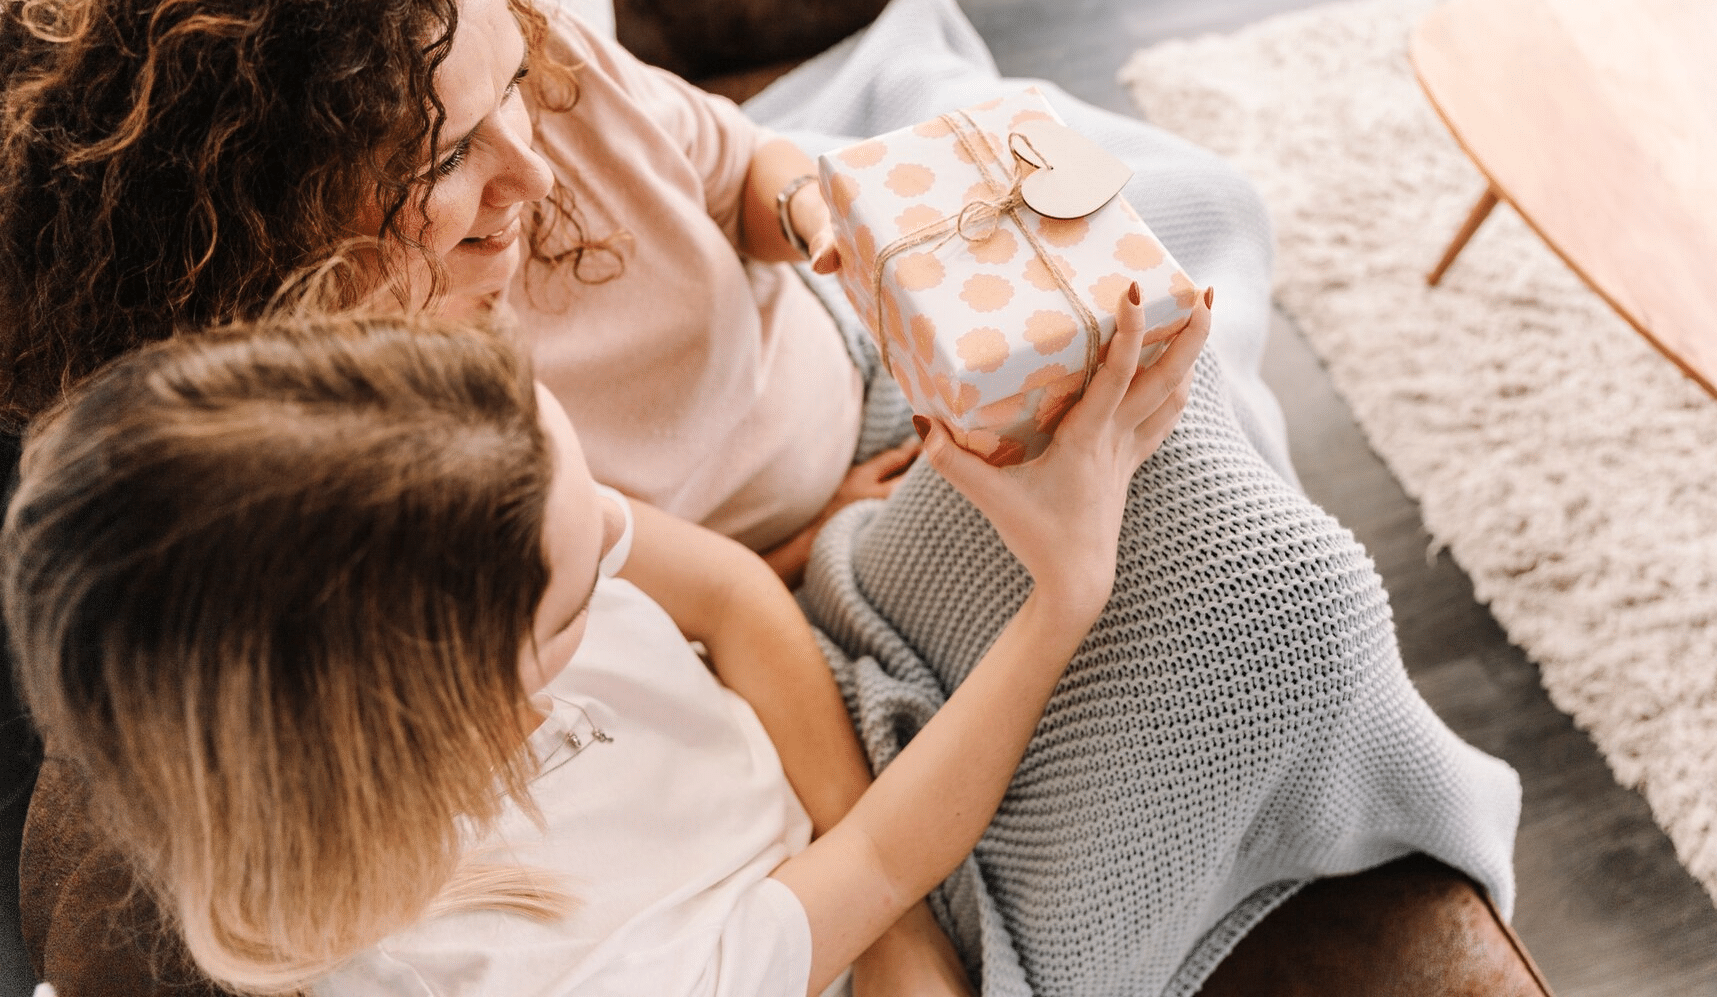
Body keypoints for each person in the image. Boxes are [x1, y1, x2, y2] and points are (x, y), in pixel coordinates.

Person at [0, 0, 1520, 993]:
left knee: (1142, 242)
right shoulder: (392, 489)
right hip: (831, 577)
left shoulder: (520, 105)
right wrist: (893, 573)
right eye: (442, 164)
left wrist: (856, 246)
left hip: (848, 434)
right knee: (1272, 587)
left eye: (508, 85)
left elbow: (733, 212)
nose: (528, 171)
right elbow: (675, 605)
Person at [2, 296, 1201, 995]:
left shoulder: (483, 510)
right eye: (586, 592)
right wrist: (1065, 593)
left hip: (845, 811)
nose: (621, 558)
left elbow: (729, 593)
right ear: (454, 709)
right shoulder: (554, 973)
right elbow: (890, 865)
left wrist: (861, 875)